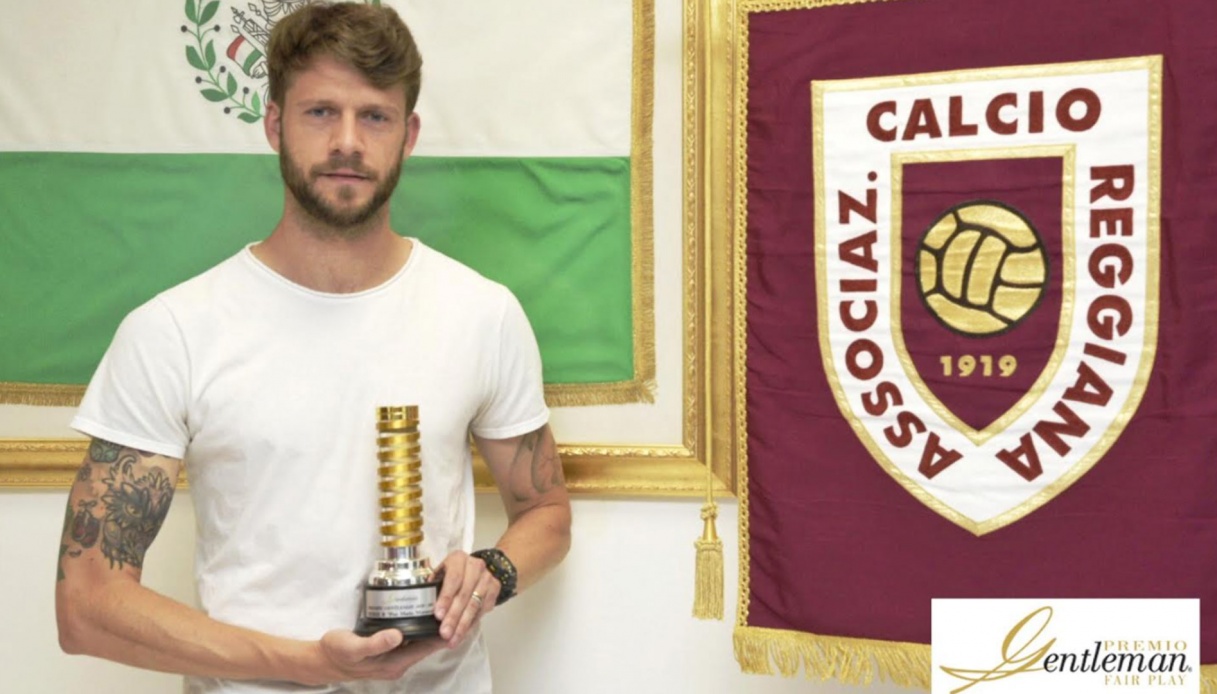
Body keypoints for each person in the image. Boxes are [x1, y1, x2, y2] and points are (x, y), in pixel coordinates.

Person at [54, 3, 572, 692]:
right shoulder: (173, 330)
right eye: (321, 112)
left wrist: (492, 573)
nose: (347, 142)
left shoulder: (482, 313)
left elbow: (545, 512)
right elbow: (87, 605)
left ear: (409, 135)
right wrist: (308, 665)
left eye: (375, 116)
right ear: (275, 124)